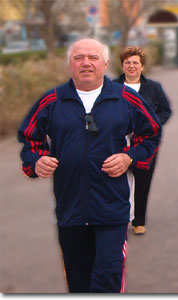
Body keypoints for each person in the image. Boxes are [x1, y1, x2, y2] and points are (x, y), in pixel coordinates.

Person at [18, 38, 161, 293]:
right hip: (70, 208)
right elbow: (29, 139)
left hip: (112, 208)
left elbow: (151, 134)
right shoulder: (52, 101)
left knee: (108, 278)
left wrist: (129, 157)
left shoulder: (126, 98)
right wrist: (36, 161)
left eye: (93, 57)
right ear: (70, 65)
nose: (86, 63)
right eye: (78, 58)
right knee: (78, 282)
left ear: (105, 64)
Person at [114, 46, 172, 235]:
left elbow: (165, 110)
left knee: (142, 180)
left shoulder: (154, 88)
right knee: (117, 179)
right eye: (127, 63)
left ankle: (139, 220)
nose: (131, 66)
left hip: (146, 143)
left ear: (142, 66)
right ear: (122, 66)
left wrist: (154, 124)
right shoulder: (112, 88)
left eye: (135, 63)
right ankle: (120, 218)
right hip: (118, 142)